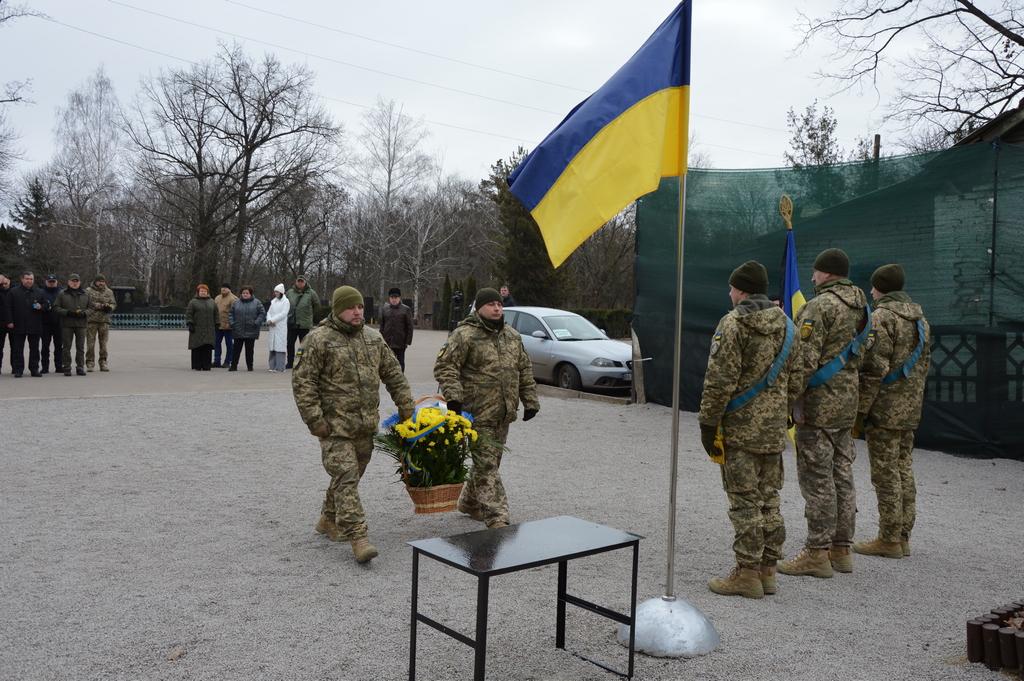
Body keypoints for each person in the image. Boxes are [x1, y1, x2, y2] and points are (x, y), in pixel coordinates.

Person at [698, 261, 799, 599]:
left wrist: (708, 424)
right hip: (773, 430)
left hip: (740, 429)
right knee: (770, 500)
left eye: (731, 288)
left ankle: (746, 573)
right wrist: (781, 412)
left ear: (741, 290)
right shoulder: (788, 326)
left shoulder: (733, 323)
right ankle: (768, 570)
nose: (729, 293)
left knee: (744, 502)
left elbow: (719, 381)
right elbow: (797, 377)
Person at [292, 285, 414, 563]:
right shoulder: (318, 340)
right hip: (334, 428)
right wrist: (315, 421)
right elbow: (303, 383)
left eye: (360, 307)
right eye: (351, 307)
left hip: (364, 426)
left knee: (350, 477)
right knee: (346, 476)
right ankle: (359, 537)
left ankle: (328, 519)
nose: (358, 311)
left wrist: (406, 405)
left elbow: (394, 374)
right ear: (338, 309)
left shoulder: (373, 339)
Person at [779, 248, 871, 579]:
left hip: (818, 406)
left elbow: (803, 361)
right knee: (841, 475)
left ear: (827, 273)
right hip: (847, 404)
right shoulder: (864, 308)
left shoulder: (818, 308)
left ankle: (816, 553)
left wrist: (786, 402)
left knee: (817, 479)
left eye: (816, 272)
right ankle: (841, 549)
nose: (813, 277)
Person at [434, 287, 540, 529]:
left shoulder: (512, 336)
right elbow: (445, 367)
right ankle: (496, 517)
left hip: (503, 413)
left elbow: (523, 369)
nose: (497, 308)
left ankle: (469, 503)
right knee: (486, 464)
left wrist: (530, 400)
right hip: (476, 412)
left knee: (492, 461)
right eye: (491, 304)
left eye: (500, 304)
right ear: (479, 307)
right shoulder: (465, 335)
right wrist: (454, 399)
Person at [853, 264, 931, 560]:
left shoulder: (883, 318)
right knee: (903, 469)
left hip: (885, 408)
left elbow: (875, 369)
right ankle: (903, 536)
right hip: (910, 408)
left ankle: (888, 538)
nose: (871, 292)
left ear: (881, 288)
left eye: (873, 287)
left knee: (885, 473)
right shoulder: (921, 320)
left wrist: (860, 411)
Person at [8, 271, 49, 378]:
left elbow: (47, 305)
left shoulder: (40, 292)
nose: (29, 281)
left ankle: (34, 369)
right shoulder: (13, 291)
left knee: (35, 349)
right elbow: (8, 308)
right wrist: (10, 321)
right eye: (27, 279)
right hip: (18, 325)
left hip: (35, 325)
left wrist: (41, 306)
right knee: (18, 349)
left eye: (31, 279)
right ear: (22, 279)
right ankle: (18, 370)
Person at [53, 274, 89, 376]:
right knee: (66, 347)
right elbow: (55, 307)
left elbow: (91, 308)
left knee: (80, 347)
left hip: (81, 324)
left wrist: (85, 313)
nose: (75, 283)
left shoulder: (86, 294)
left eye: (76, 281)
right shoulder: (62, 294)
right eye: (73, 281)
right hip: (67, 324)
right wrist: (67, 312)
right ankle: (67, 367)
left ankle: (80, 367)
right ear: (69, 282)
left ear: (79, 282)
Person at [285, 275, 320, 369]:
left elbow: (317, 305)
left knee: (303, 345)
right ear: (296, 282)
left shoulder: (311, 293)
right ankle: (290, 362)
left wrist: (310, 316)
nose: (300, 283)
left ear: (305, 283)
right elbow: (284, 304)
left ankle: (301, 361)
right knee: (289, 344)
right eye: (298, 281)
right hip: (292, 323)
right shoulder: (289, 292)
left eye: (302, 282)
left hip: (304, 324)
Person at [228, 286, 265, 371]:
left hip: (251, 330)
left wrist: (257, 322)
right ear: (241, 294)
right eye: (243, 293)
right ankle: (233, 366)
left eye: (247, 293)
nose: (245, 294)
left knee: (249, 350)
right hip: (238, 330)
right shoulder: (236, 302)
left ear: (250, 294)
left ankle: (250, 366)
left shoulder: (257, 302)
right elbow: (230, 314)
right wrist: (232, 323)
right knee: (236, 350)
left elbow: (262, 313)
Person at [85, 274, 116, 372]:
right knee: (90, 343)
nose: (101, 283)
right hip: (91, 320)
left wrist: (109, 307)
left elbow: (113, 303)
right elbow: (85, 303)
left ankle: (103, 362)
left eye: (102, 281)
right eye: (99, 281)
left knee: (103, 344)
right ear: (95, 281)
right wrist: (95, 305)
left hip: (104, 321)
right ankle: (90, 362)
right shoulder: (88, 291)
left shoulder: (109, 291)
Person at [380, 286, 413, 371]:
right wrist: (381, 339)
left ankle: (400, 381)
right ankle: (389, 383)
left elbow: (410, 327)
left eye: (396, 297)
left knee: (400, 362)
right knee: (388, 363)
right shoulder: (385, 309)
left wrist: (407, 341)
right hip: (388, 342)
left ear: (399, 298)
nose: (394, 299)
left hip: (400, 342)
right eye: (392, 297)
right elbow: (382, 325)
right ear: (389, 298)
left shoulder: (406, 309)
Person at [185, 284, 218, 371]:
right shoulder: (193, 302)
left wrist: (217, 324)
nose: (203, 292)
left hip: (209, 329)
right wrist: (190, 323)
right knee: (197, 347)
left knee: (207, 347)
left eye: (204, 291)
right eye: (201, 291)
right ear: (198, 292)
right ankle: (197, 365)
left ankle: (207, 365)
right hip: (197, 329)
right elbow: (189, 314)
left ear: (207, 292)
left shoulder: (212, 302)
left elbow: (216, 314)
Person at [40, 274, 64, 375]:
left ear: (56, 282)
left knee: (59, 347)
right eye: (50, 281)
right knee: (45, 347)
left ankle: (59, 366)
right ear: (46, 282)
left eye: (53, 281)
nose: (51, 283)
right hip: (45, 324)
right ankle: (45, 367)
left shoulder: (62, 292)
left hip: (59, 323)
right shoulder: (41, 292)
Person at [265, 283, 290, 372]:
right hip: (272, 327)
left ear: (281, 292)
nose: (276, 293)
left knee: (280, 347)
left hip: (280, 327)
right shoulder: (273, 301)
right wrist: (269, 320)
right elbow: (269, 312)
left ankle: (280, 367)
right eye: (275, 292)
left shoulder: (286, 301)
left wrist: (273, 320)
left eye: (277, 292)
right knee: (272, 346)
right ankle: (272, 366)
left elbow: (283, 313)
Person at [213, 284, 237, 368]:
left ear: (229, 289)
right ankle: (217, 361)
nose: (223, 289)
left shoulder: (233, 299)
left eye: (225, 288)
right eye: (222, 287)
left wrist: (230, 323)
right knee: (216, 343)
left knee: (229, 344)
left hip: (228, 326)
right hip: (218, 325)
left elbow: (235, 313)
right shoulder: (217, 298)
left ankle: (228, 361)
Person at [0, 274, 13, 374]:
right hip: (1, 323)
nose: (4, 284)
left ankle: (16, 368)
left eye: (6, 282)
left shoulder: (14, 291)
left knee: (15, 347)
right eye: (2, 282)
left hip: (13, 323)